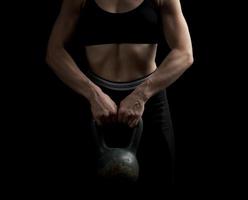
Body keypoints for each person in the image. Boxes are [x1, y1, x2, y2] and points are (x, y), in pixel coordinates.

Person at [46, 0, 193, 186]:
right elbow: (54, 51)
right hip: (96, 103)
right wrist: (93, 94)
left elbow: (184, 52)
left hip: (148, 100)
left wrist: (141, 95)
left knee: (160, 178)